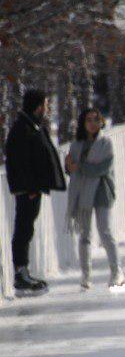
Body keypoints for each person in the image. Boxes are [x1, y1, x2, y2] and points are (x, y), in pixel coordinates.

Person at [4, 89, 66, 294]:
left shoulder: (32, 126)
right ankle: (20, 273)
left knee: (27, 228)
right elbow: (19, 160)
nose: (47, 109)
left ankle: (23, 270)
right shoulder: (23, 128)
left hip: (33, 188)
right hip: (27, 190)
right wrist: (30, 186)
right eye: (45, 105)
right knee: (23, 228)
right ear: (38, 106)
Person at [65, 108, 124, 290]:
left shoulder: (106, 143)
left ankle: (116, 271)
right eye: (89, 120)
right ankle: (86, 274)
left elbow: (100, 169)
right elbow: (70, 169)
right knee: (84, 235)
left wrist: (79, 166)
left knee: (105, 232)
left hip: (101, 192)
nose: (92, 123)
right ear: (83, 123)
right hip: (82, 194)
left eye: (96, 120)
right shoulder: (76, 145)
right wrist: (69, 166)